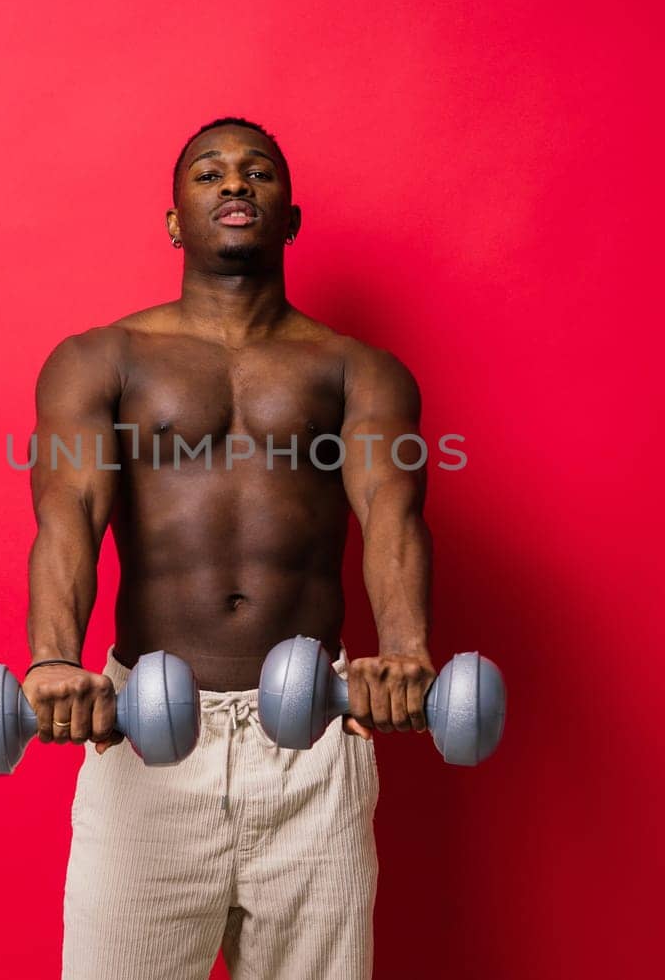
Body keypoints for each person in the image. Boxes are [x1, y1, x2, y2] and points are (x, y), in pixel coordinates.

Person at [22, 117, 434, 980]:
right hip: (143, 735)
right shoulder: (100, 359)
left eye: (259, 173)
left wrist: (404, 653)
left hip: (313, 737)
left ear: (291, 217)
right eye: (210, 173)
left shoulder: (359, 370)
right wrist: (54, 662)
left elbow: (391, 510)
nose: (235, 184)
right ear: (175, 218)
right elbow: (69, 514)